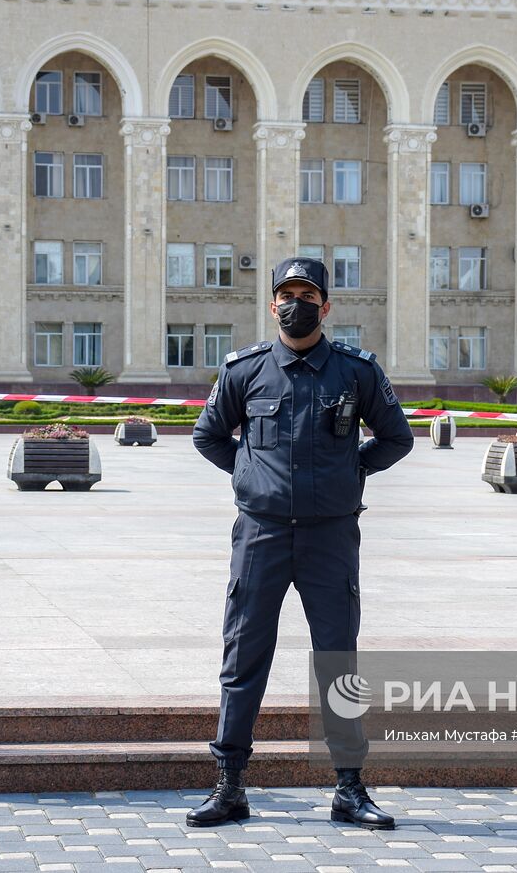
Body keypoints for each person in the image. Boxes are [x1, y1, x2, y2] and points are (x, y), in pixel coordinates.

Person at [188, 257, 414, 828]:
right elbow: (208, 435)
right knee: (243, 657)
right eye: (286, 293)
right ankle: (230, 785)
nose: (296, 303)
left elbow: (396, 437)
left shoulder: (356, 371)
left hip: (330, 536)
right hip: (260, 536)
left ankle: (349, 787)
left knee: (338, 658)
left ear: (326, 305)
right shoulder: (245, 370)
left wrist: (351, 474)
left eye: (307, 294)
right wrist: (250, 478)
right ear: (271, 304)